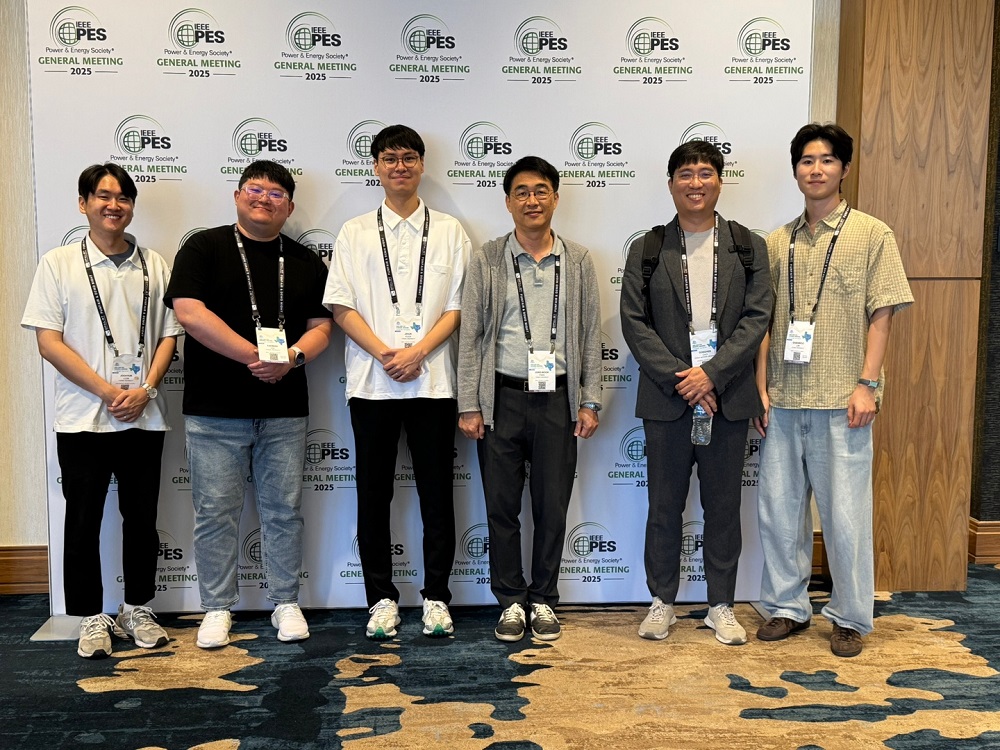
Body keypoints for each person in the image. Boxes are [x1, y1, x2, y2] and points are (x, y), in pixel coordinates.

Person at [753, 123, 913, 657]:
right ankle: (786, 607)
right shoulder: (776, 242)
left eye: (826, 160)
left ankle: (849, 617)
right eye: (806, 160)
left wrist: (868, 384)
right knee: (779, 514)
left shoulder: (872, 234)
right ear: (795, 170)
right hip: (782, 400)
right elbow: (763, 324)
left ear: (844, 168)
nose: (816, 169)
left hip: (844, 402)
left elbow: (882, 314)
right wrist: (760, 389)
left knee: (845, 518)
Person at [164, 160, 332, 649]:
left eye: (276, 193)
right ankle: (217, 606)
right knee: (215, 512)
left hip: (285, 410)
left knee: (284, 511)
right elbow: (189, 313)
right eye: (255, 189)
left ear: (290, 207)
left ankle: (286, 602)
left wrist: (291, 358)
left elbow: (322, 326)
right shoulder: (203, 247)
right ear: (237, 195)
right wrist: (255, 357)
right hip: (214, 410)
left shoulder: (305, 261)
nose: (264, 198)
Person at [22, 163, 181, 658]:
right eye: (103, 196)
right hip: (83, 417)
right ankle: (91, 616)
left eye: (123, 198)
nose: (114, 205)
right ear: (83, 203)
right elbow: (49, 342)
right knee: (83, 520)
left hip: (144, 414)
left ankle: (137, 608)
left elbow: (169, 336)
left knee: (142, 518)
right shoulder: (58, 264)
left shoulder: (155, 265)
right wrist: (108, 391)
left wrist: (146, 388)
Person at [619, 141, 771, 645]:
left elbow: (757, 318)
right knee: (664, 507)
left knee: (723, 508)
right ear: (671, 184)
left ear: (720, 181)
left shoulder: (747, 246)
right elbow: (634, 323)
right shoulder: (648, 248)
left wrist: (712, 374)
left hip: (727, 398)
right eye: (685, 174)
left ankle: (720, 604)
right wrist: (683, 378)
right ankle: (661, 601)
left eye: (706, 172)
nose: (696, 182)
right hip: (668, 400)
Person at [324, 125, 471, 640]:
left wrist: (418, 351)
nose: (400, 166)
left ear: (422, 165)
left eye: (409, 157)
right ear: (376, 167)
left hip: (433, 383)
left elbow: (458, 306)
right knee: (373, 495)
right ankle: (381, 599)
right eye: (390, 158)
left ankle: (437, 598)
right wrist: (385, 353)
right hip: (373, 383)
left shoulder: (450, 230)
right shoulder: (354, 231)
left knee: (437, 495)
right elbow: (341, 306)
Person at [458, 156, 602, 642]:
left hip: (558, 400)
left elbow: (588, 335)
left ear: (556, 198)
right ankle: (510, 602)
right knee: (501, 508)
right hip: (501, 399)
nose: (532, 200)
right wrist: (470, 404)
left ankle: (542, 599)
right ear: (508, 202)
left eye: (541, 190)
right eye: (521, 192)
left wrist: (590, 400)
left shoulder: (577, 260)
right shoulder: (488, 258)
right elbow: (472, 336)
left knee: (551, 507)